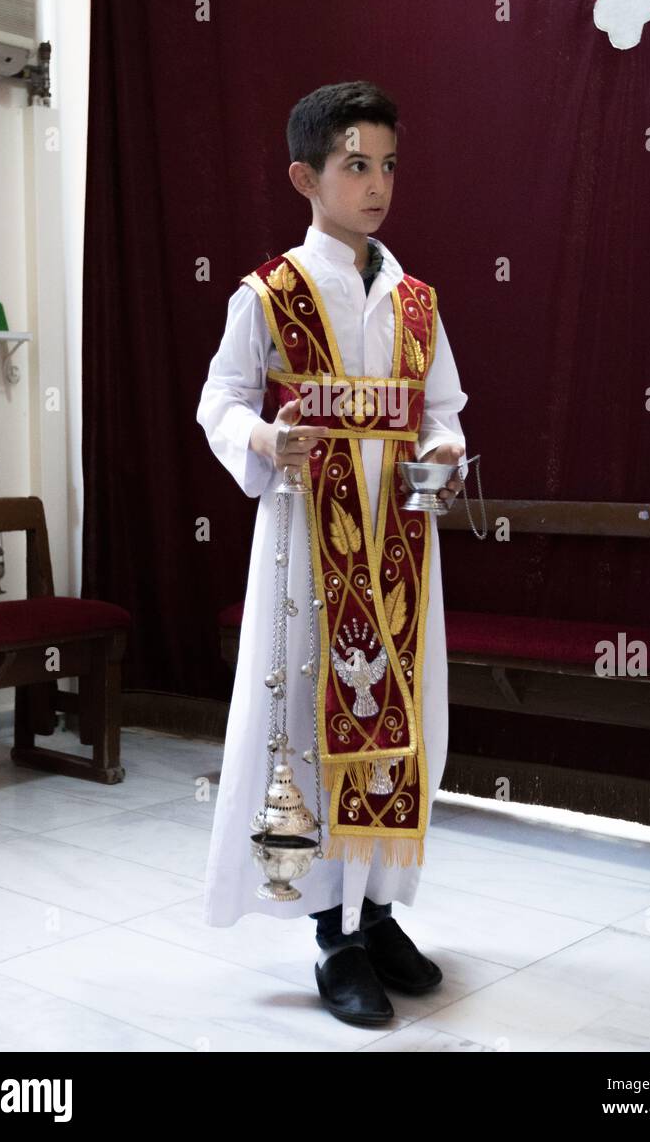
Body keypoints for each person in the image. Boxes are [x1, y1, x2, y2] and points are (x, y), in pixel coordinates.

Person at [196, 80, 469, 1028]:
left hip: (400, 554)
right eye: (357, 165)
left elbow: (444, 417)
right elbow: (220, 402)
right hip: (307, 554)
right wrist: (267, 440)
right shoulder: (270, 294)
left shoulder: (418, 302)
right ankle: (330, 934)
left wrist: (439, 456)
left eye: (389, 165)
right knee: (310, 730)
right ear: (305, 176)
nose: (377, 183)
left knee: (406, 722)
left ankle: (384, 914)